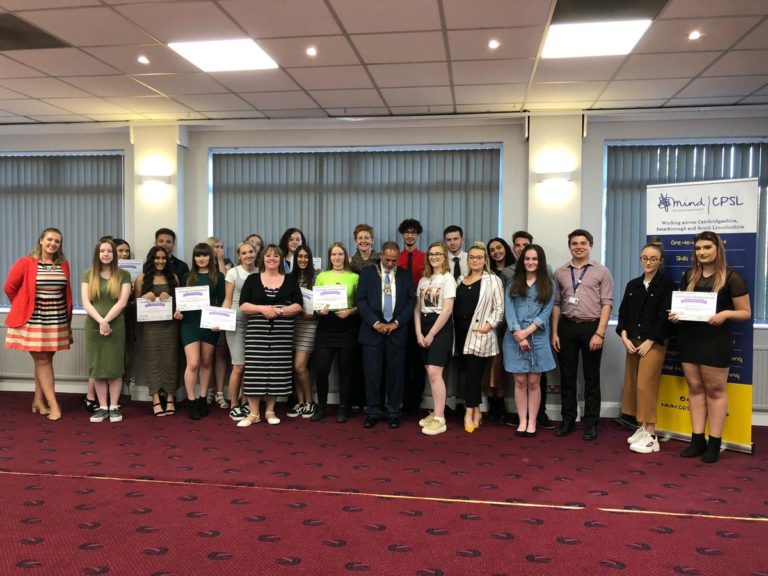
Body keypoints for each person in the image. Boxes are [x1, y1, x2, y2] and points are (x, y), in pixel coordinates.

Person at [670, 231, 751, 463]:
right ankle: (697, 440)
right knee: (695, 389)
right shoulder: (689, 275)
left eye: (707, 247)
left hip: (715, 341)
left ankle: (714, 442)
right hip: (689, 338)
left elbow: (745, 313)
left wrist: (725, 313)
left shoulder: (732, 278)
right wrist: (677, 315)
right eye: (698, 248)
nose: (702, 252)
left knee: (715, 392)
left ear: (718, 250)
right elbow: (685, 306)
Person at [551, 229, 614, 441]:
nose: (579, 246)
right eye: (574, 243)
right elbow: (557, 304)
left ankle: (591, 424)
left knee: (591, 378)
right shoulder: (560, 272)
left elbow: (607, 304)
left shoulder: (601, 272)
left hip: (591, 328)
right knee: (567, 378)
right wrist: (555, 332)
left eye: (583, 243)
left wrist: (600, 333)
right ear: (570, 246)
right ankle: (568, 420)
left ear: (590, 245)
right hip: (567, 328)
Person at [5, 227, 73, 421]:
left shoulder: (63, 264)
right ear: (41, 240)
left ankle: (38, 401)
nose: (53, 244)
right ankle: (54, 405)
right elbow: (9, 288)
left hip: (56, 319)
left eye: (57, 241)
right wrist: (23, 307)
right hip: (34, 320)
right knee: (43, 360)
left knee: (44, 361)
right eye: (50, 239)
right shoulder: (26, 262)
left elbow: (65, 291)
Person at [616, 241, 676, 453]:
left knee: (645, 385)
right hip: (632, 341)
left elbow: (664, 317)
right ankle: (642, 427)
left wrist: (650, 341)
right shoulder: (633, 284)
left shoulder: (667, 285)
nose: (648, 262)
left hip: (654, 343)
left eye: (653, 258)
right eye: (644, 258)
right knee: (633, 385)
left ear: (660, 261)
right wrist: (624, 336)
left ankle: (651, 434)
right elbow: (623, 313)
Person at [237, 244, 303, 427]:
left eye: (275, 256)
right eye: (268, 256)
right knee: (254, 371)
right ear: (262, 259)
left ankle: (270, 410)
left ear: (281, 259)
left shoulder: (290, 280)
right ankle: (253, 413)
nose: (272, 259)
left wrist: (279, 312)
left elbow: (298, 305)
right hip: (257, 333)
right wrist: (263, 309)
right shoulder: (252, 279)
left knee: (276, 370)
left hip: (282, 334)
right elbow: (243, 305)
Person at [356, 241, 416, 429]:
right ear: (380, 255)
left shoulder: (405, 275)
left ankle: (393, 412)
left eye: (394, 260)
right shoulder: (367, 273)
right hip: (372, 332)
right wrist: (377, 323)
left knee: (396, 375)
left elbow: (411, 301)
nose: (390, 264)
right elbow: (361, 300)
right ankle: (373, 412)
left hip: (397, 332)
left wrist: (396, 323)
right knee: (372, 374)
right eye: (387, 259)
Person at [504, 244, 556, 437]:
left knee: (534, 382)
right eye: (527, 258)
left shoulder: (549, 284)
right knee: (519, 381)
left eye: (535, 259)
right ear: (522, 260)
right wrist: (519, 334)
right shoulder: (512, 283)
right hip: (514, 337)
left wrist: (527, 332)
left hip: (538, 337)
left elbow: (546, 313)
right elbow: (509, 311)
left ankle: (532, 422)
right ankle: (522, 420)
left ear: (540, 261)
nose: (531, 262)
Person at [454, 245, 504, 433]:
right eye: (472, 257)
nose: (475, 260)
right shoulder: (460, 279)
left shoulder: (493, 280)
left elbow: (499, 309)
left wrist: (488, 326)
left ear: (485, 260)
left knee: (473, 375)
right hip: (459, 332)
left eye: (479, 257)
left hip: (479, 332)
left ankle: (469, 413)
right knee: (468, 375)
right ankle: (477, 411)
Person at [81, 239, 132, 423]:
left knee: (115, 366)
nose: (106, 254)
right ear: (97, 253)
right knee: (98, 367)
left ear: (114, 254)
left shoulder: (123, 275)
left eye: (109, 251)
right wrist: (101, 321)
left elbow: (122, 302)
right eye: (102, 251)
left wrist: (107, 321)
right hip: (94, 326)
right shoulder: (88, 274)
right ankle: (102, 407)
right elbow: (86, 303)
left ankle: (114, 406)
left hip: (116, 326)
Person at [310, 242, 359, 423]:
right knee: (322, 369)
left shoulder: (354, 277)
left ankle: (343, 408)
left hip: (347, 326)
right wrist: (319, 310)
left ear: (345, 256)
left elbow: (360, 304)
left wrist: (351, 311)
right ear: (329, 257)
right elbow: (316, 304)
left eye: (340, 254)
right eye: (333, 254)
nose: (337, 258)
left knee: (345, 370)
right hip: (326, 325)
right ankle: (321, 406)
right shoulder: (322, 276)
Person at [175, 242, 225, 420]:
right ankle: (191, 400)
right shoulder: (186, 276)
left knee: (205, 362)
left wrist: (219, 320)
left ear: (210, 257)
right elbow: (180, 302)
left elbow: (221, 301)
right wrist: (178, 312)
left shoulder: (217, 276)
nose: (201, 258)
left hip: (209, 324)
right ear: (194, 258)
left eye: (205, 255)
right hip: (189, 324)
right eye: (198, 255)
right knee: (193, 363)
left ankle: (203, 398)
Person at [414, 242, 456, 436]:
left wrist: (431, 335)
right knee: (429, 373)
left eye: (438, 254)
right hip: (423, 325)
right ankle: (436, 412)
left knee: (434, 372)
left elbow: (447, 310)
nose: (434, 257)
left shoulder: (448, 279)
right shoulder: (424, 280)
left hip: (441, 327)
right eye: (431, 254)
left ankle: (440, 418)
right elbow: (417, 308)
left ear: (444, 257)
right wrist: (419, 333)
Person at [135, 246, 180, 416]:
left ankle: (169, 398)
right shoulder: (141, 279)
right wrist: (144, 298)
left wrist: (170, 298)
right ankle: (155, 398)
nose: (160, 261)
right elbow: (136, 306)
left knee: (170, 361)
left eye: (163, 258)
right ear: (151, 259)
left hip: (170, 326)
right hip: (150, 327)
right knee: (152, 361)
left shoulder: (173, 277)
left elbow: (179, 306)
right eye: (156, 258)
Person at [221, 241, 257, 421]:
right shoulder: (232, 273)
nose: (248, 255)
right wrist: (219, 320)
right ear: (239, 256)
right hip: (236, 322)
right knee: (238, 365)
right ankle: (233, 404)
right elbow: (228, 300)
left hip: (256, 323)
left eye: (251, 251)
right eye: (244, 253)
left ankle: (245, 402)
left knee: (251, 367)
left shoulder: (260, 272)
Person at [397, 218, 427, 416]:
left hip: (420, 313)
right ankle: (400, 401)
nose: (410, 235)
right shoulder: (395, 257)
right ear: (402, 235)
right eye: (406, 232)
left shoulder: (425, 257)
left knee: (419, 361)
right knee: (401, 361)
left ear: (417, 235)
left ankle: (415, 403)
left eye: (413, 232)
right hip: (399, 314)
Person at [486, 237, 516, 423]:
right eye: (492, 249)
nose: (496, 251)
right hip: (490, 323)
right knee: (490, 364)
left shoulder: (514, 270)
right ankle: (493, 403)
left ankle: (501, 401)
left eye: (499, 247)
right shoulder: (486, 272)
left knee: (503, 365)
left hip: (509, 323)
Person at [287, 245, 318, 419]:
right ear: (295, 259)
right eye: (300, 257)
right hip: (292, 324)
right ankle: (300, 402)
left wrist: (312, 315)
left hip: (309, 325)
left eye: (306, 257)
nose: (303, 260)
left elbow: (320, 304)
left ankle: (310, 401)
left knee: (300, 366)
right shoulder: (289, 278)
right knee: (295, 367)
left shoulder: (316, 277)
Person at [205, 236, 233, 409]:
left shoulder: (228, 263)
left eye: (221, 247)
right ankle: (208, 391)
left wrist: (221, 260)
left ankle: (220, 393)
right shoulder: (201, 264)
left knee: (221, 356)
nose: (219, 249)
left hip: (223, 313)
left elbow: (224, 282)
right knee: (206, 357)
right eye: (215, 247)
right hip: (205, 315)